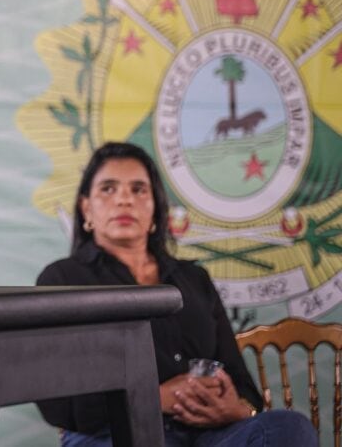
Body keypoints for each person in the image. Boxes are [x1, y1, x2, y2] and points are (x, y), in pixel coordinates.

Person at [35, 142, 317, 447]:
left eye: (138, 189)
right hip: (114, 435)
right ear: (86, 208)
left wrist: (237, 409)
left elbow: (242, 384)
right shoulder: (62, 279)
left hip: (208, 435)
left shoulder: (194, 279)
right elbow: (56, 404)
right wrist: (154, 398)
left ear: (155, 208)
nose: (124, 200)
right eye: (108, 188)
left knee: (290, 428)